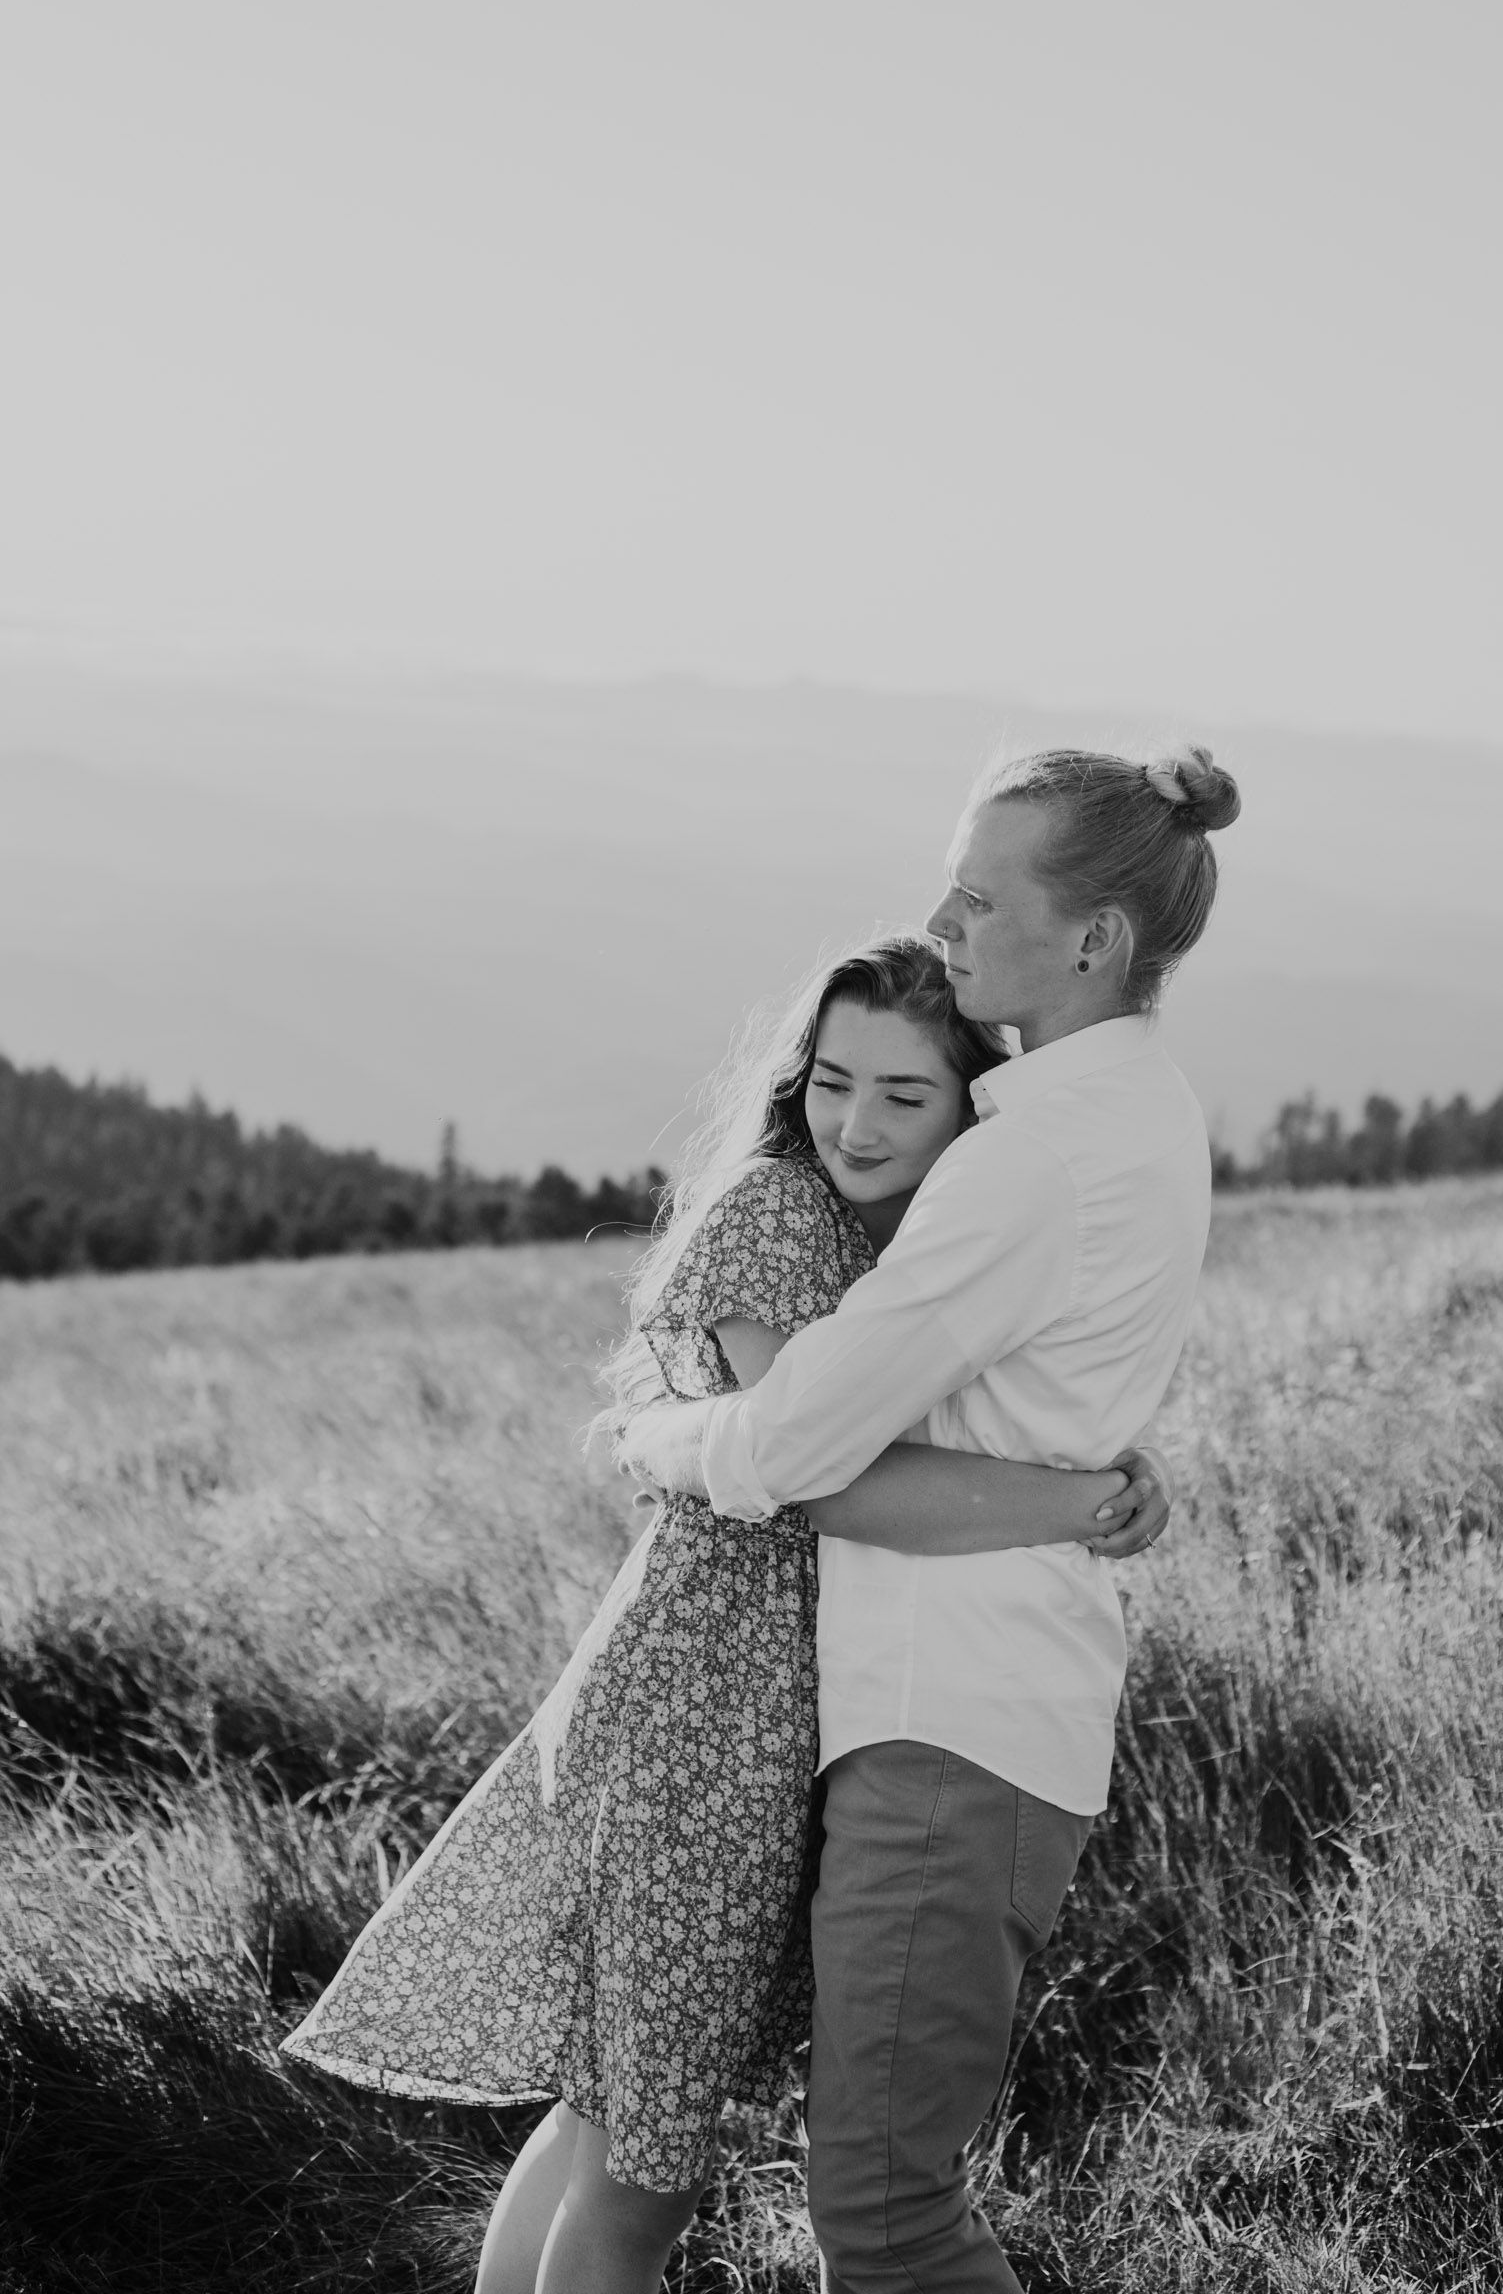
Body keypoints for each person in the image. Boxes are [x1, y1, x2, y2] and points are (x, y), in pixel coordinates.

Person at [282, 935, 1154, 2294]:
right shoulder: (778, 1219)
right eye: (830, 1080)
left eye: (902, 1097)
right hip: (698, 1724)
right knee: (649, 2169)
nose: (854, 1123)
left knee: (607, 2114)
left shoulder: (895, 1237)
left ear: (971, 1103)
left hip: (729, 1722)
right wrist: (1087, 1502)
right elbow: (818, 1479)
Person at [624, 741, 1240, 2294]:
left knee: (889, 2219)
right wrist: (1092, 1484)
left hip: (946, 1720)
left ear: (1093, 937)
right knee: (886, 2196)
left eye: (978, 895)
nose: (943, 922)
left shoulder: (1028, 1154)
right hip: (992, 1698)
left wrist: (654, 1435)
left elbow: (800, 1444)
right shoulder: (1136, 1108)